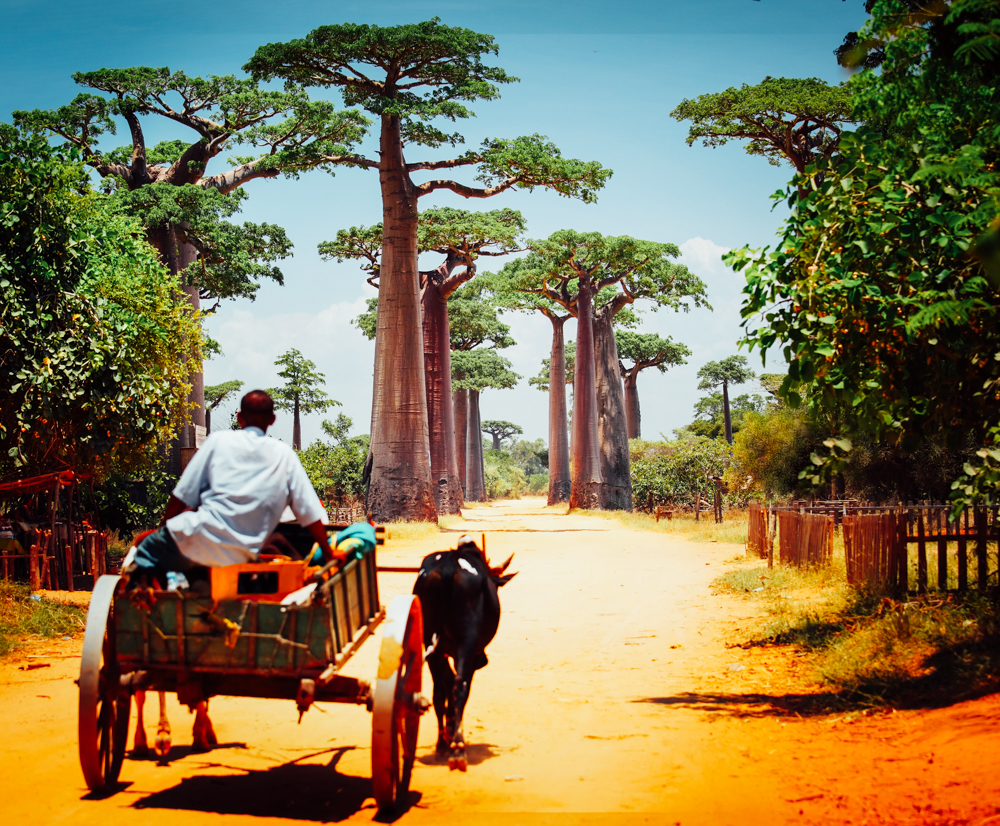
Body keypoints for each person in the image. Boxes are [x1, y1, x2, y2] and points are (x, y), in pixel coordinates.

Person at [127, 389, 343, 584]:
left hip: (196, 539)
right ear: (272, 419)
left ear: (239, 418)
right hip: (242, 554)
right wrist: (328, 553)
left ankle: (150, 599)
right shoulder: (284, 454)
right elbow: (310, 513)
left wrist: (164, 529)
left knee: (147, 549)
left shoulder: (217, 441)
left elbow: (181, 497)